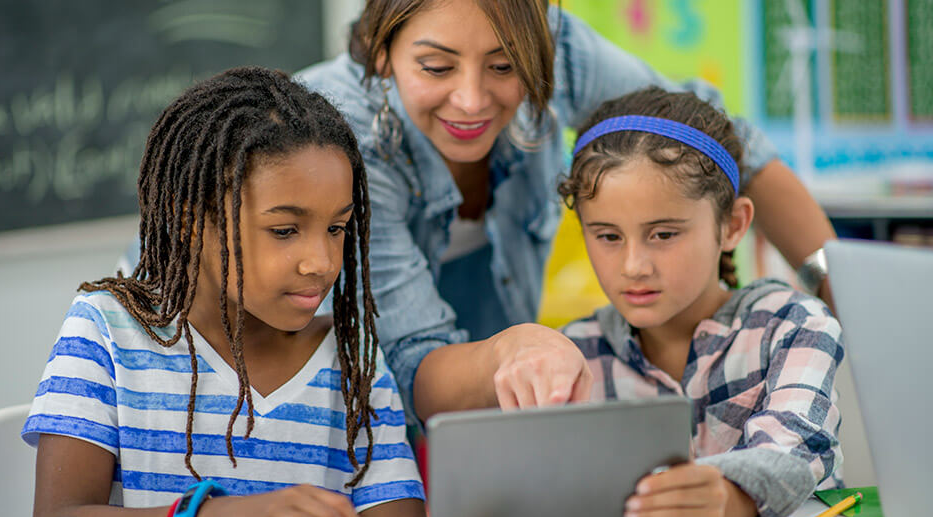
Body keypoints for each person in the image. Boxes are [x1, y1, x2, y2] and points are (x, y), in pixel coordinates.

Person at [296, 0, 838, 425]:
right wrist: (515, 348)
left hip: (503, 392)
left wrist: (842, 296)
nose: (471, 99)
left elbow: (719, 142)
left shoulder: (553, 45)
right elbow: (412, 361)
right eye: (436, 66)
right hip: (376, 406)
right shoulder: (340, 137)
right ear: (383, 53)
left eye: (504, 65)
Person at [22, 67, 426, 517]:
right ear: (190, 221)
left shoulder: (354, 362)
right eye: (284, 230)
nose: (320, 262)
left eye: (336, 228)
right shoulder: (106, 331)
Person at [557, 87, 843, 517]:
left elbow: (800, 448)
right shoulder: (571, 355)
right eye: (608, 236)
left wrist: (731, 496)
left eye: (664, 234)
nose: (634, 266)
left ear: (732, 226)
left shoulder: (794, 324)